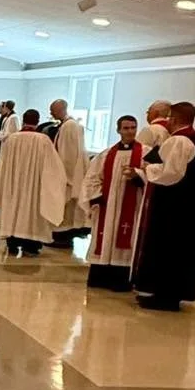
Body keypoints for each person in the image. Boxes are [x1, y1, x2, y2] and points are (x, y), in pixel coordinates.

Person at [131, 102, 195, 311]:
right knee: (179, 249)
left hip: (174, 206)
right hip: (188, 206)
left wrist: (148, 168)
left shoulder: (180, 140)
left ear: (173, 119)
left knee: (168, 247)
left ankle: (165, 296)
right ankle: (166, 294)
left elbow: (171, 173)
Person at [0, 109, 67, 256]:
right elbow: (53, 168)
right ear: (37, 121)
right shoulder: (43, 141)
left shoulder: (12, 139)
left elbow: (1, 164)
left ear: (24, 120)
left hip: (13, 187)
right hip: (34, 188)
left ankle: (12, 243)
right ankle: (30, 246)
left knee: (13, 210)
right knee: (32, 213)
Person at [82, 116, 146, 291]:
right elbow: (92, 179)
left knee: (127, 238)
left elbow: (153, 177)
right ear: (118, 130)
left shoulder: (145, 153)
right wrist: (97, 197)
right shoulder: (106, 154)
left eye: (133, 127)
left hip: (132, 206)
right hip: (107, 206)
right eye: (126, 128)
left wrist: (138, 175)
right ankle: (100, 276)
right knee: (104, 238)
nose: (130, 131)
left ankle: (121, 280)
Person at [42, 99, 89, 246]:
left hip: (67, 174)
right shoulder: (67, 125)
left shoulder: (69, 126)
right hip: (66, 173)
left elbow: (67, 154)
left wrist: (60, 172)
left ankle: (62, 236)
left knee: (66, 207)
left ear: (60, 109)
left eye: (52, 110)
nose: (51, 113)